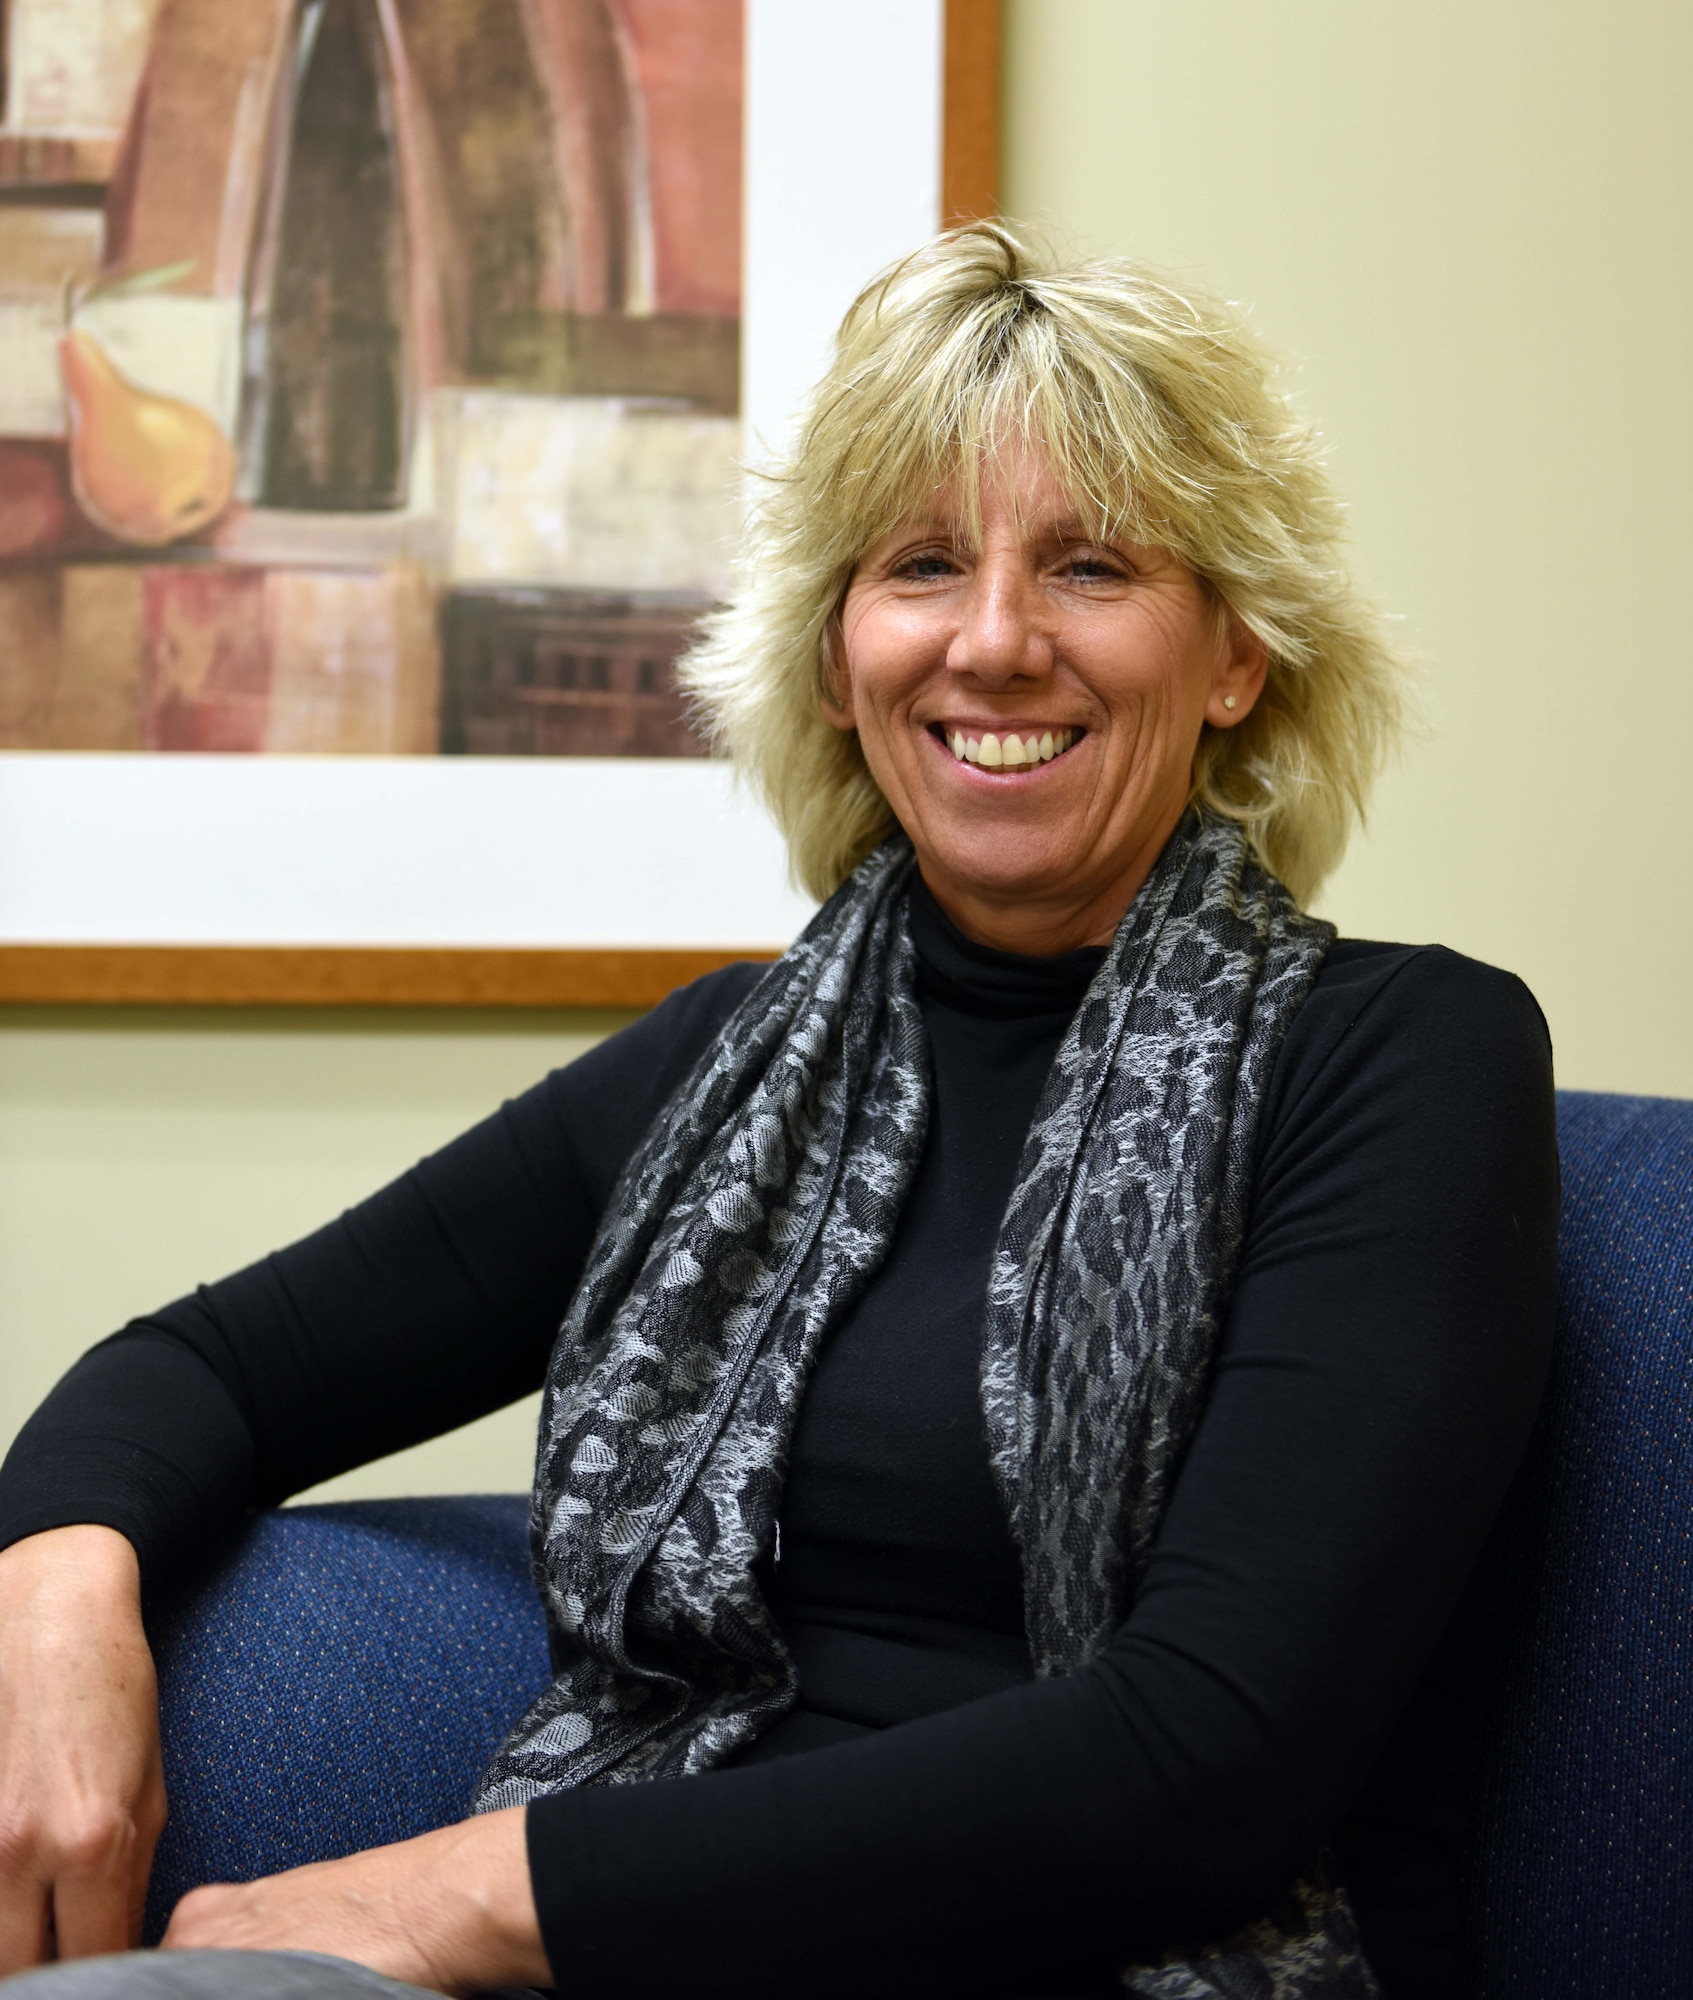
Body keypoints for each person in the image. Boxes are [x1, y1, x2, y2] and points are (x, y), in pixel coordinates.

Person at [0, 224, 1558, 2000]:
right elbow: (205, 1368)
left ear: (1233, 660)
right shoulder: (717, 1073)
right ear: (836, 659)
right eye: (917, 566)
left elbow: (1207, 1755)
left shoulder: (1402, 1059)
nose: (992, 641)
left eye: (1092, 567)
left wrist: (474, 1899)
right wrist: (54, 1605)